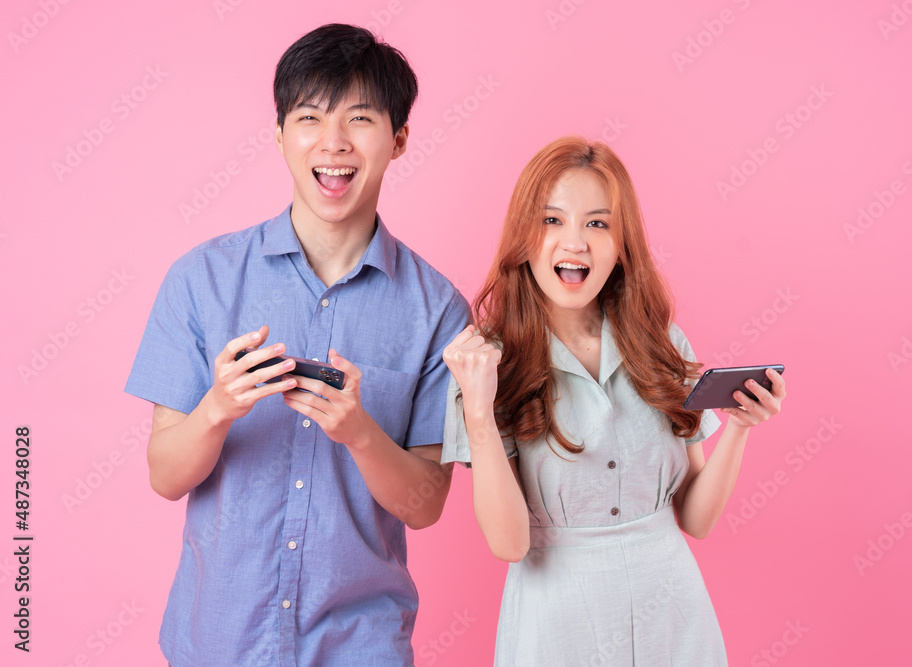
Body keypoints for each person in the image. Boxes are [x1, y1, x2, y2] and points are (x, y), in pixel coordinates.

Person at [125, 24, 469, 666]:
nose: (333, 142)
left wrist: (361, 433)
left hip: (360, 646)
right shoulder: (201, 280)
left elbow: (426, 505)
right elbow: (164, 476)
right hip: (219, 642)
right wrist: (217, 409)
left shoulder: (439, 310)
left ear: (398, 139)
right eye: (310, 117)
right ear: (280, 134)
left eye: (360, 118)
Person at [441, 136, 787, 665]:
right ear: (523, 237)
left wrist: (738, 427)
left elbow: (694, 519)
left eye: (597, 224)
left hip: (672, 617)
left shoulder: (664, 344)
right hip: (558, 625)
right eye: (552, 221)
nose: (575, 243)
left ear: (622, 245)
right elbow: (510, 544)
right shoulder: (485, 363)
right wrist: (479, 413)